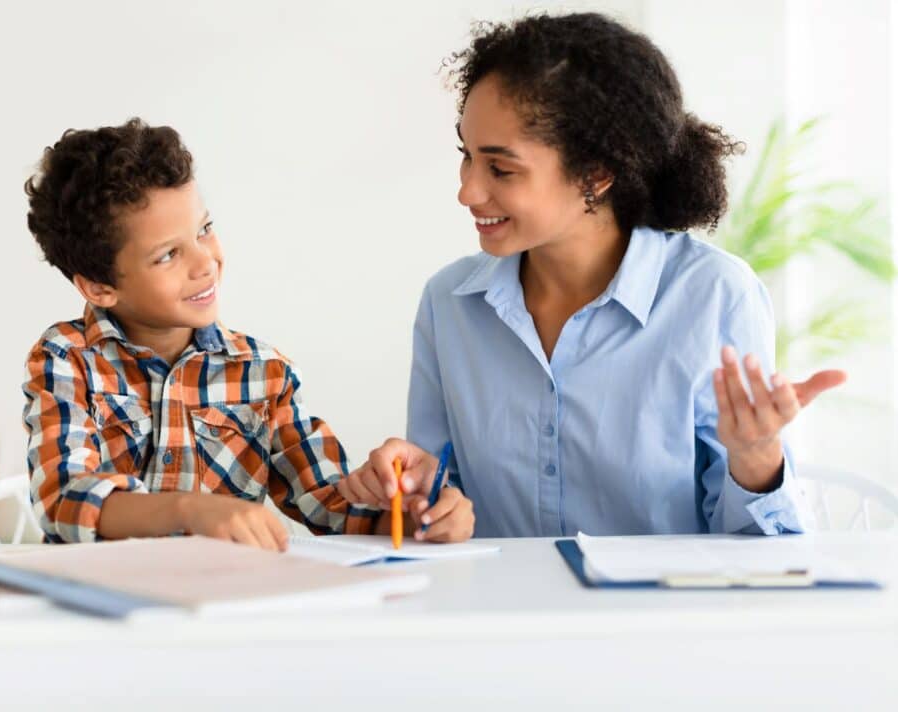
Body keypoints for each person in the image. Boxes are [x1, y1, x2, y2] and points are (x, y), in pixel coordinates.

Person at [338, 13, 846, 538]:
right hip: (496, 614)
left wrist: (757, 459)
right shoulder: (450, 303)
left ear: (597, 174)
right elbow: (438, 494)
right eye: (467, 157)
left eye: (500, 168)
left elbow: (760, 557)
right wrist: (419, 497)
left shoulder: (714, 295)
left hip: (663, 618)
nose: (467, 191)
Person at [21, 118, 477, 548]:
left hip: (221, 611)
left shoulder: (263, 373)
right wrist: (192, 511)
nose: (205, 263)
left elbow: (334, 506)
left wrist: (417, 513)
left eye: (204, 230)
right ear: (99, 286)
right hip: (98, 612)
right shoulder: (68, 358)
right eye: (167, 255)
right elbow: (66, 501)